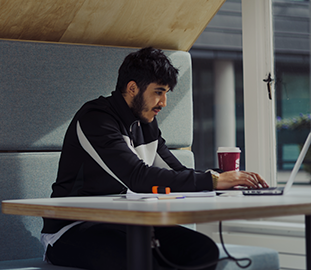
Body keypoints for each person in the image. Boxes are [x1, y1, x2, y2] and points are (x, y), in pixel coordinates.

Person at [40, 47, 269, 270]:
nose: (164, 103)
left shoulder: (146, 123)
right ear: (132, 88)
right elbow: (137, 177)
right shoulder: (95, 119)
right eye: (158, 92)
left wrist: (222, 178)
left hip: (126, 223)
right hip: (71, 229)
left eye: (166, 93)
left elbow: (176, 172)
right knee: (141, 261)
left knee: (202, 250)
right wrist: (213, 180)